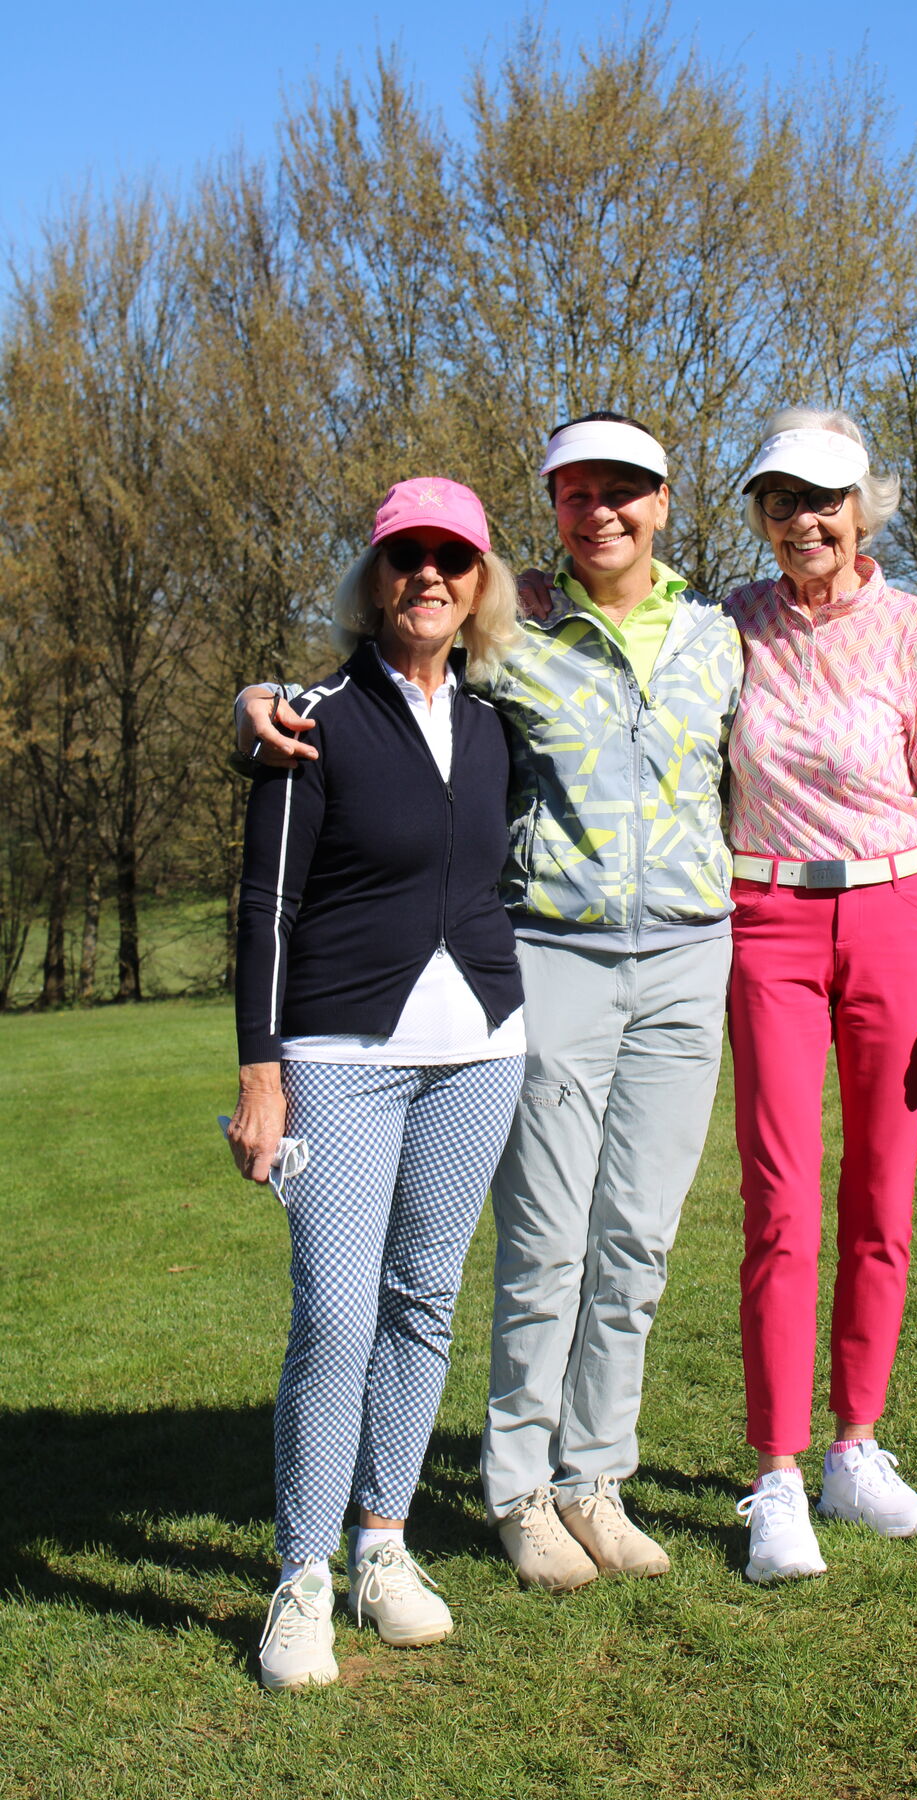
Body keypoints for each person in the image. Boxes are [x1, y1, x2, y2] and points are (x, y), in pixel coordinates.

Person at [234, 416, 744, 1595]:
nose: (601, 510)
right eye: (577, 492)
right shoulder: (512, 644)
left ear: (663, 503)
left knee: (638, 1240)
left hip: (683, 960)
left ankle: (594, 1477)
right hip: (551, 961)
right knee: (544, 1244)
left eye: (624, 489)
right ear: (553, 511)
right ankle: (517, 1493)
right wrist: (258, 699)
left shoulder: (721, 635)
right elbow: (364, 695)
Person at [227, 477, 525, 1688]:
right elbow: (267, 904)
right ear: (375, 575)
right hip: (338, 1059)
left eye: (453, 558)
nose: (429, 576)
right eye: (408, 556)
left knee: (421, 1301)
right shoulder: (311, 719)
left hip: (480, 1050)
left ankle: (384, 1547)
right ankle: (302, 1575)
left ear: (480, 582)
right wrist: (260, 1073)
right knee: (337, 1314)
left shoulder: (501, 723)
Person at [725, 409, 917, 1583]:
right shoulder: (729, 623)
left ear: (861, 509)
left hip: (899, 914)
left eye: (824, 501)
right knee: (781, 1200)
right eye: (783, 501)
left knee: (884, 1193)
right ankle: (779, 1474)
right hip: (767, 918)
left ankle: (855, 1448)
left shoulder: (915, 629)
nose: (805, 522)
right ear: (762, 516)